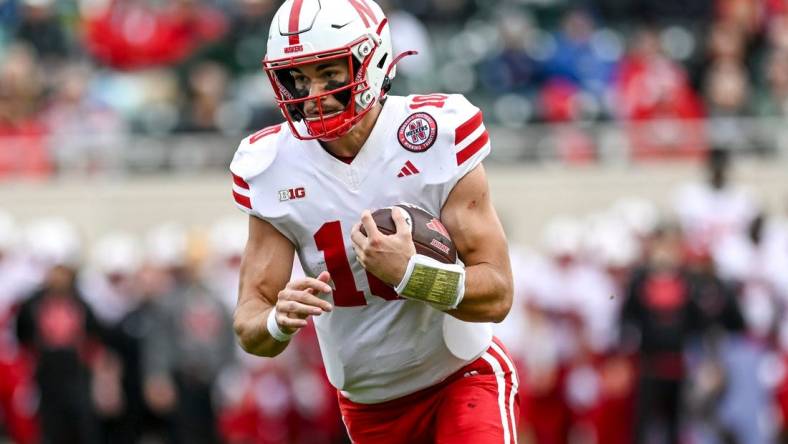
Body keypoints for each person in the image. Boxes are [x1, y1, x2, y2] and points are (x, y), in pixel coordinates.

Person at [229, 1, 518, 443]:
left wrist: (413, 275)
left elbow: (496, 292)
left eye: (330, 73)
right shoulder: (270, 166)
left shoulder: (433, 134)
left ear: (373, 60)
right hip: (371, 407)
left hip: (463, 376)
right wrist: (277, 321)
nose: (314, 94)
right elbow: (250, 325)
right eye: (299, 78)